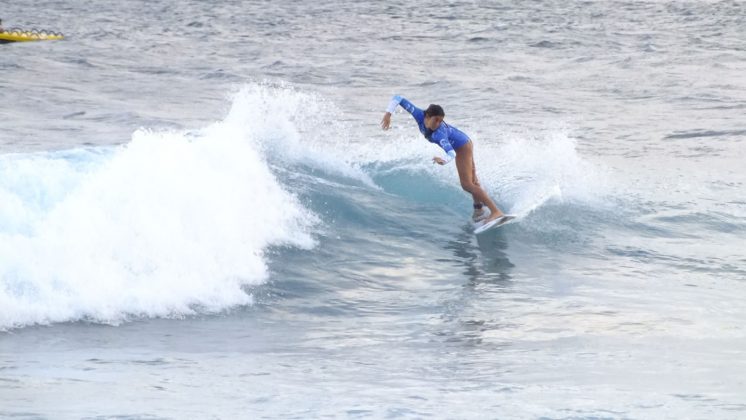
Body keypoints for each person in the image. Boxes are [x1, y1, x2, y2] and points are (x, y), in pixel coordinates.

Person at [381, 95, 506, 224]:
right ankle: (479, 210)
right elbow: (398, 98)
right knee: (473, 182)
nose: (439, 123)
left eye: (441, 121)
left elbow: (451, 152)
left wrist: (444, 160)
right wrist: (388, 114)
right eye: (436, 120)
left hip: (462, 147)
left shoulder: (439, 133)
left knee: (467, 185)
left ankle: (495, 212)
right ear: (427, 116)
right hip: (465, 141)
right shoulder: (419, 114)